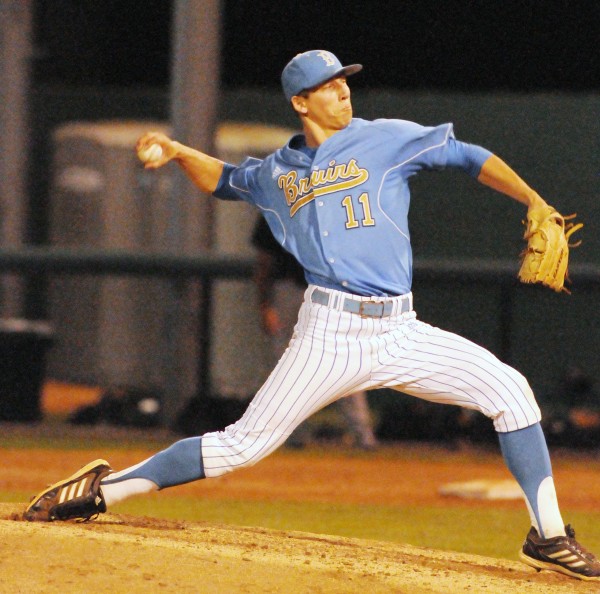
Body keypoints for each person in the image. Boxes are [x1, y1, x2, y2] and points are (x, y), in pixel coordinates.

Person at [24, 49, 599, 582]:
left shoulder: (388, 140)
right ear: (301, 102)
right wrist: (178, 153)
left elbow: (468, 156)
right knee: (240, 446)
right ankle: (104, 490)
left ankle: (547, 535)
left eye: (345, 83)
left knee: (511, 390)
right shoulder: (278, 173)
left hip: (401, 329)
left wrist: (533, 200)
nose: (344, 94)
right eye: (329, 87)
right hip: (329, 334)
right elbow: (224, 179)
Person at [251, 215, 378, 449]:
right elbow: (265, 260)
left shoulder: (335, 198)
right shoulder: (276, 195)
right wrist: (265, 305)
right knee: (287, 367)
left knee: (343, 360)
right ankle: (292, 435)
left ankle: (362, 433)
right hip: (288, 289)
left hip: (329, 290)